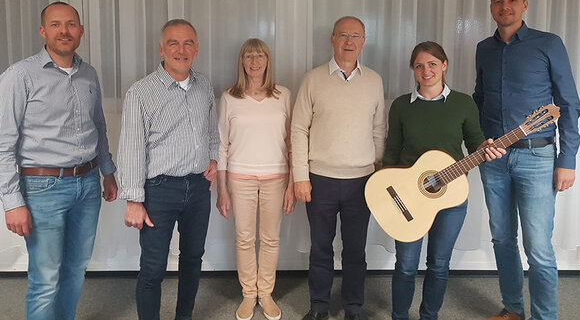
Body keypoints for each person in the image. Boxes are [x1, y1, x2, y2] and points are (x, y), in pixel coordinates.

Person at [0, 1, 118, 320]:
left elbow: (99, 126)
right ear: (43, 31)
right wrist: (12, 202)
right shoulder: (19, 76)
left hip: (88, 185)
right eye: (55, 25)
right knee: (45, 279)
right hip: (41, 188)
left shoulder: (89, 74)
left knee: (76, 269)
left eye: (70, 25)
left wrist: (108, 171)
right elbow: (4, 142)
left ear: (81, 31)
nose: (63, 31)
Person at [474, 0, 580, 320]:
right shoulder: (483, 49)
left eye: (512, 1)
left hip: (538, 156)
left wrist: (567, 159)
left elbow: (568, 103)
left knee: (538, 248)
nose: (505, 7)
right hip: (493, 160)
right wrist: (476, 141)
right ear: (491, 7)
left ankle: (544, 317)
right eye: (498, 2)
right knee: (502, 240)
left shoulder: (549, 44)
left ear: (524, 5)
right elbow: (479, 100)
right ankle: (513, 310)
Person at [383, 42, 505, 320]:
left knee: (438, 264)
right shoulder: (402, 105)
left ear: (445, 65)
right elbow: (391, 152)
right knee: (405, 264)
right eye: (419, 65)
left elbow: (475, 142)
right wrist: (389, 194)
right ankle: (399, 316)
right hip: (409, 196)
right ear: (413, 70)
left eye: (432, 64)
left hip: (451, 198)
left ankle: (430, 316)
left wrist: (486, 148)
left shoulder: (463, 103)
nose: (426, 71)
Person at [117, 19, 219, 320]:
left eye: (188, 43)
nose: (181, 49)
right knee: (153, 267)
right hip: (159, 191)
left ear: (196, 49)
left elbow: (211, 131)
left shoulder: (204, 86)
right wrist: (134, 200)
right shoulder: (141, 92)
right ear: (161, 49)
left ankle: (183, 317)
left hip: (199, 189)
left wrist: (213, 158)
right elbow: (132, 148)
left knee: (192, 260)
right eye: (173, 43)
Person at [292, 16, 386, 320]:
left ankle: (353, 307)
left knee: (355, 251)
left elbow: (378, 129)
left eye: (356, 36)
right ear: (332, 39)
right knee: (320, 248)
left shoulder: (374, 80)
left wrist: (379, 173)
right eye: (343, 35)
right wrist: (300, 177)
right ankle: (318, 305)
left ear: (364, 41)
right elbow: (298, 130)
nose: (349, 42)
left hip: (362, 180)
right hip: (320, 181)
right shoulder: (313, 79)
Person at [216, 38, 296, 320]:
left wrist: (292, 184)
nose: (254, 61)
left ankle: (266, 293)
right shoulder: (229, 97)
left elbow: (291, 142)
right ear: (242, 61)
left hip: (277, 177)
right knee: (244, 238)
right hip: (240, 178)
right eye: (248, 56)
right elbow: (222, 145)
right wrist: (222, 190)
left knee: (271, 239)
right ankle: (249, 294)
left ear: (267, 61)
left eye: (259, 56)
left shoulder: (283, 95)